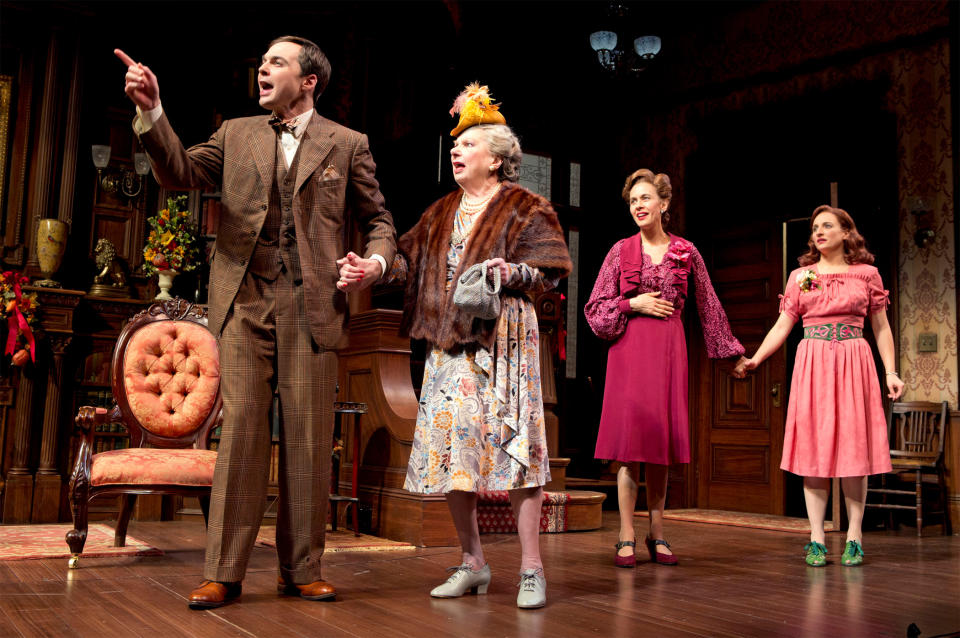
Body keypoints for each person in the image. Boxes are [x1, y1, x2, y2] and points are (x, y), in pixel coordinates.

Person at [115, 36, 397, 608]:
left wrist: (376, 262)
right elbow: (179, 173)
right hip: (244, 301)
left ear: (309, 80)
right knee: (242, 430)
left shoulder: (347, 144)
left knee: (309, 438)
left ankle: (302, 568)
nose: (263, 69)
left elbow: (380, 220)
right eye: (263, 62)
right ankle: (224, 570)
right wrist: (152, 111)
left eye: (277, 63)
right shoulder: (235, 132)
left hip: (313, 305)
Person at [370, 83, 571, 609]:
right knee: (458, 450)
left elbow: (550, 273)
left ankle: (531, 569)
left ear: (499, 158)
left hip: (506, 342)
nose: (457, 151)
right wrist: (373, 267)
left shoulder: (527, 207)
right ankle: (473, 561)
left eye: (470, 145)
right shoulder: (440, 213)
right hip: (450, 347)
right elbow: (407, 262)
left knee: (517, 452)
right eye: (457, 146)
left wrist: (514, 271)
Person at [584, 169, 745, 568]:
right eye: (633, 201)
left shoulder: (686, 251)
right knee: (628, 447)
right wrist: (631, 304)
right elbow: (595, 309)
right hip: (628, 348)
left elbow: (708, 305)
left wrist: (731, 354)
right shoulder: (620, 251)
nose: (638, 206)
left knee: (658, 446)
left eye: (645, 198)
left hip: (669, 349)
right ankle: (625, 533)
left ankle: (658, 531)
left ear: (664, 204)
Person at [733, 205, 902, 567]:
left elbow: (881, 327)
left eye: (827, 226)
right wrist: (756, 358)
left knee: (855, 452)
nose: (819, 232)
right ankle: (816, 537)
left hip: (854, 360)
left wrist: (890, 371)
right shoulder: (804, 277)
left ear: (846, 232)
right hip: (813, 363)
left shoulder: (865, 274)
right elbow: (784, 324)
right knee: (814, 451)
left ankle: (854, 536)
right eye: (815, 228)